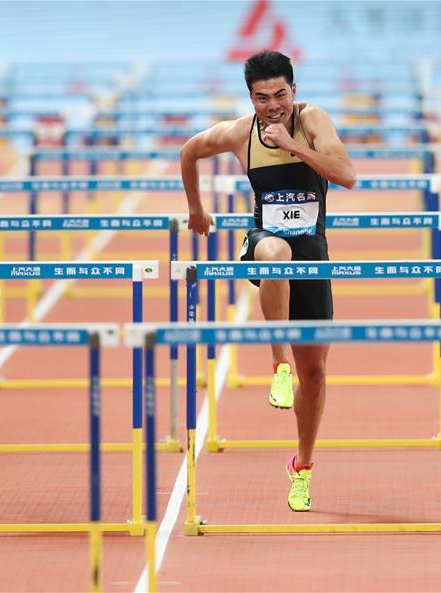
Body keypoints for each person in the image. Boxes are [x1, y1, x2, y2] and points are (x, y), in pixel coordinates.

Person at [180, 50, 356, 512]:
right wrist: (197, 210)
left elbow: (347, 176)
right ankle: (278, 365)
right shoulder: (241, 132)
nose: (272, 105)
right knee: (275, 251)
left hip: (313, 253)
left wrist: (293, 145)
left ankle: (302, 467)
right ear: (251, 99)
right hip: (264, 239)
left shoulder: (312, 120)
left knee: (315, 375)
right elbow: (189, 151)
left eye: (280, 94)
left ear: (294, 91)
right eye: (262, 98)